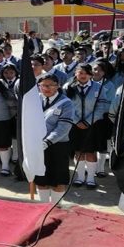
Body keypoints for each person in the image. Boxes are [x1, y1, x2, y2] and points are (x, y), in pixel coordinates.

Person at [35, 74, 77, 204]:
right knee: (40, 179)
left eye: (50, 85)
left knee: (57, 180)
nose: (46, 88)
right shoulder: (35, 101)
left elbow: (63, 128)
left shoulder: (66, 103)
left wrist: (47, 141)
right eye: (43, 85)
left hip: (58, 146)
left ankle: (55, 207)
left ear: (57, 86)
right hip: (38, 145)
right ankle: (43, 207)